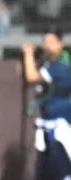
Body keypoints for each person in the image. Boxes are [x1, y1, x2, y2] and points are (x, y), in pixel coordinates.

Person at [21, 26, 71, 180]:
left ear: (60, 44)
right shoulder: (47, 64)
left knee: (61, 171)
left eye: (52, 41)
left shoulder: (61, 65)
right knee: (44, 172)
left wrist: (28, 54)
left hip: (61, 127)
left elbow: (32, 77)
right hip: (47, 127)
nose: (47, 45)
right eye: (45, 41)